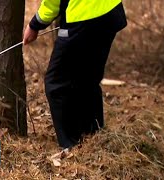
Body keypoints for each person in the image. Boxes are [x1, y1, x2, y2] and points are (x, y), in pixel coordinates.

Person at [23, 0, 127, 149]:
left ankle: (71, 146)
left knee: (56, 84)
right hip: (110, 12)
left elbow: (53, 2)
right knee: (87, 79)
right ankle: (93, 138)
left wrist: (34, 25)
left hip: (84, 17)